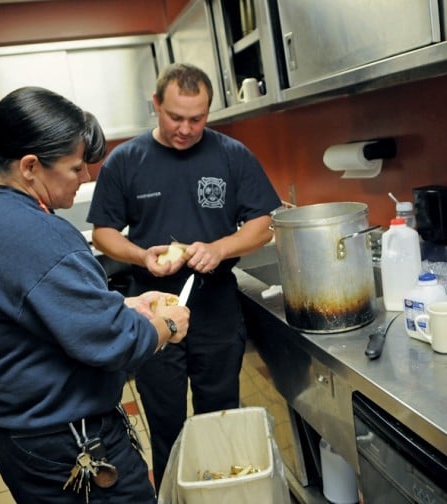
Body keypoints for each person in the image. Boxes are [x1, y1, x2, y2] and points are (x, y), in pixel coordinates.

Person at [0, 86, 189, 504]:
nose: (87, 178)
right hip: (67, 441)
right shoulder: (40, 235)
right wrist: (166, 325)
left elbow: (37, 310)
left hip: (20, 434)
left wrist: (122, 304)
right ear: (30, 167)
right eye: (76, 168)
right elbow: (115, 343)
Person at [87, 63, 281, 492]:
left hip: (215, 307)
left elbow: (264, 224)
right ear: (156, 105)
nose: (186, 129)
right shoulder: (126, 161)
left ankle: (222, 492)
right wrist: (142, 254)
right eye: (176, 117)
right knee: (164, 418)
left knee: (219, 412)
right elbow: (103, 233)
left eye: (198, 118)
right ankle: (175, 496)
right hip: (152, 309)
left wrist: (221, 248)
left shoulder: (232, 155)